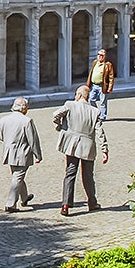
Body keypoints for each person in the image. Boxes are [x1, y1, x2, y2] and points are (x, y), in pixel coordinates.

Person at [52, 84, 109, 216]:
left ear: (78, 95)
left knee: (70, 173)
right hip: (87, 145)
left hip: (71, 144)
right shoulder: (94, 111)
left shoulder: (70, 105)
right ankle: (92, 202)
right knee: (88, 176)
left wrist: (60, 127)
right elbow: (100, 132)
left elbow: (55, 115)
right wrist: (104, 149)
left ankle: (65, 204)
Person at [0, 96, 42, 212]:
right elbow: (33, 140)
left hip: (9, 152)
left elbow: (0, 136)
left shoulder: (4, 119)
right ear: (24, 108)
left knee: (17, 176)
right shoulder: (27, 121)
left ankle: (25, 198)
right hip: (22, 153)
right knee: (18, 177)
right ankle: (10, 204)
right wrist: (38, 155)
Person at [87, 48, 116, 120]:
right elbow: (91, 73)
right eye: (99, 55)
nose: (100, 56)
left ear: (105, 56)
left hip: (102, 86)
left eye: (102, 55)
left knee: (103, 102)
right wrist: (88, 84)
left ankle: (103, 116)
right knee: (91, 100)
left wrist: (109, 88)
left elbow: (111, 77)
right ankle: (96, 113)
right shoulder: (95, 62)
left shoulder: (107, 65)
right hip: (94, 85)